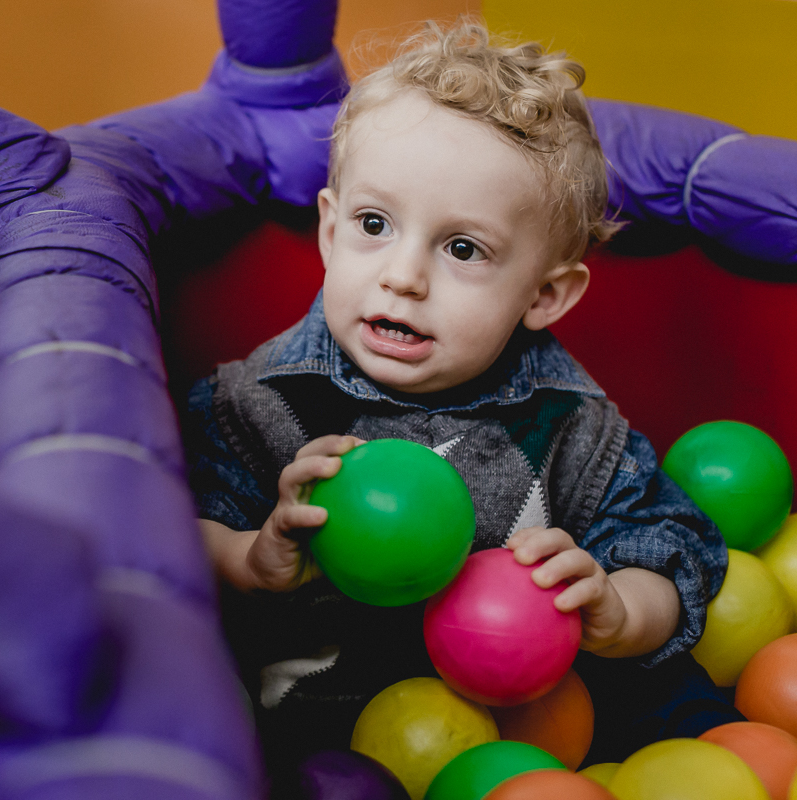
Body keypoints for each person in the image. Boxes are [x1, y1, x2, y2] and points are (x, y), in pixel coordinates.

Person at [182, 20, 741, 790]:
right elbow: (169, 527)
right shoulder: (257, 404)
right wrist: (251, 559)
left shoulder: (573, 422)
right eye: (375, 226)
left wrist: (617, 611)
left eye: (463, 249)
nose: (403, 276)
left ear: (546, 294)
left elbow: (671, 546)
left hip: (540, 728)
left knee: (687, 709)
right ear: (329, 227)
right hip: (319, 731)